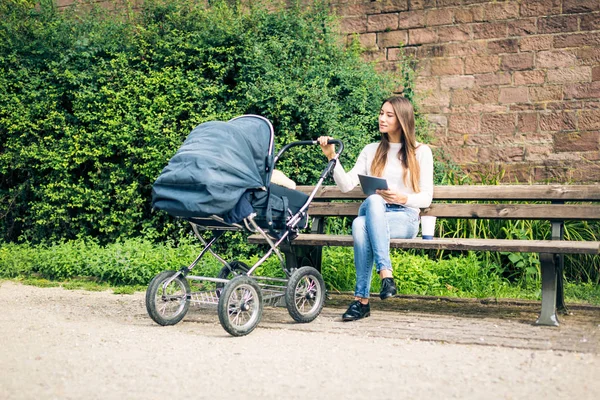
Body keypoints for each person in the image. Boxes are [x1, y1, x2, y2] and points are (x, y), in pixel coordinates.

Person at [318, 96, 434, 321]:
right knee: (373, 201)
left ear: (402, 120)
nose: (382, 118)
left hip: (405, 217)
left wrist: (402, 197)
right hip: (375, 212)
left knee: (359, 224)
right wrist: (332, 157)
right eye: (381, 113)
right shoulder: (371, 150)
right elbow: (346, 185)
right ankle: (386, 276)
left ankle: (361, 301)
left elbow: (426, 198)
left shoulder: (421, 152)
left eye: (389, 115)